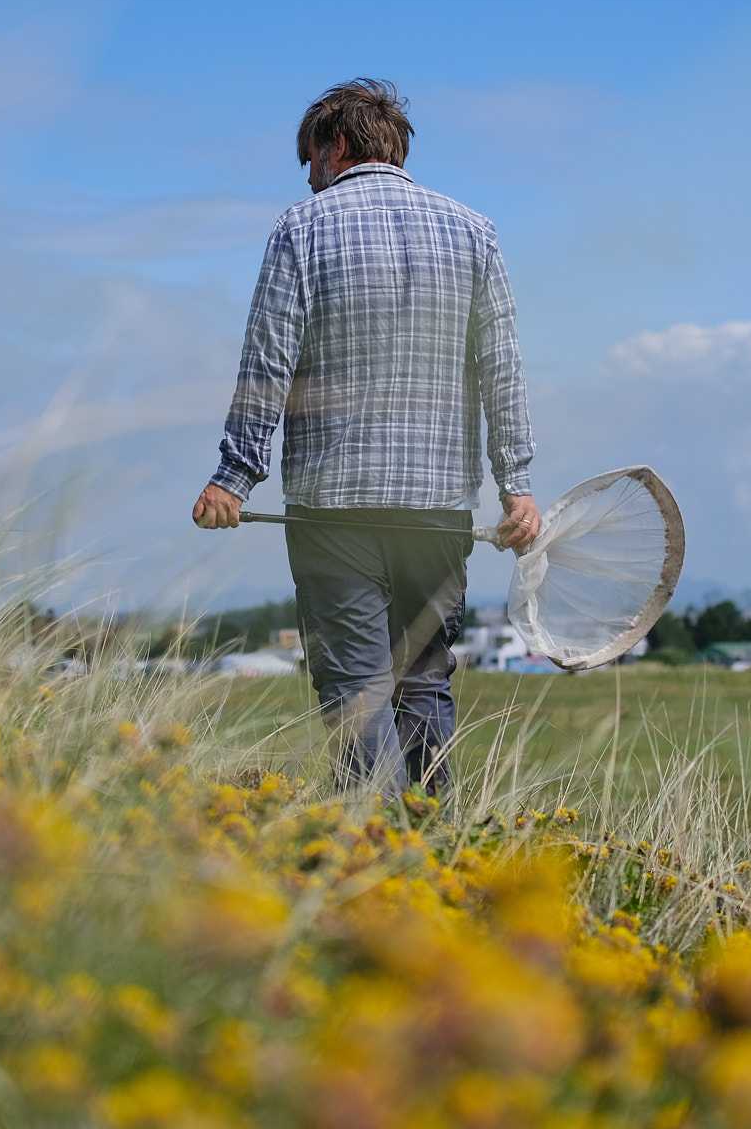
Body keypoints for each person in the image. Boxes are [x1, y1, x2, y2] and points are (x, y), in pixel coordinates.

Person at [190, 78, 538, 795]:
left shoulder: (301, 229)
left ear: (337, 144)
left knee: (356, 689)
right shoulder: (477, 231)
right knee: (425, 683)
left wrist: (234, 475)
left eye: (310, 160)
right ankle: (437, 853)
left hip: (333, 506)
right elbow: (501, 367)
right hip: (439, 508)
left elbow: (268, 363)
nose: (309, 179)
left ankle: (374, 856)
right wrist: (516, 486)